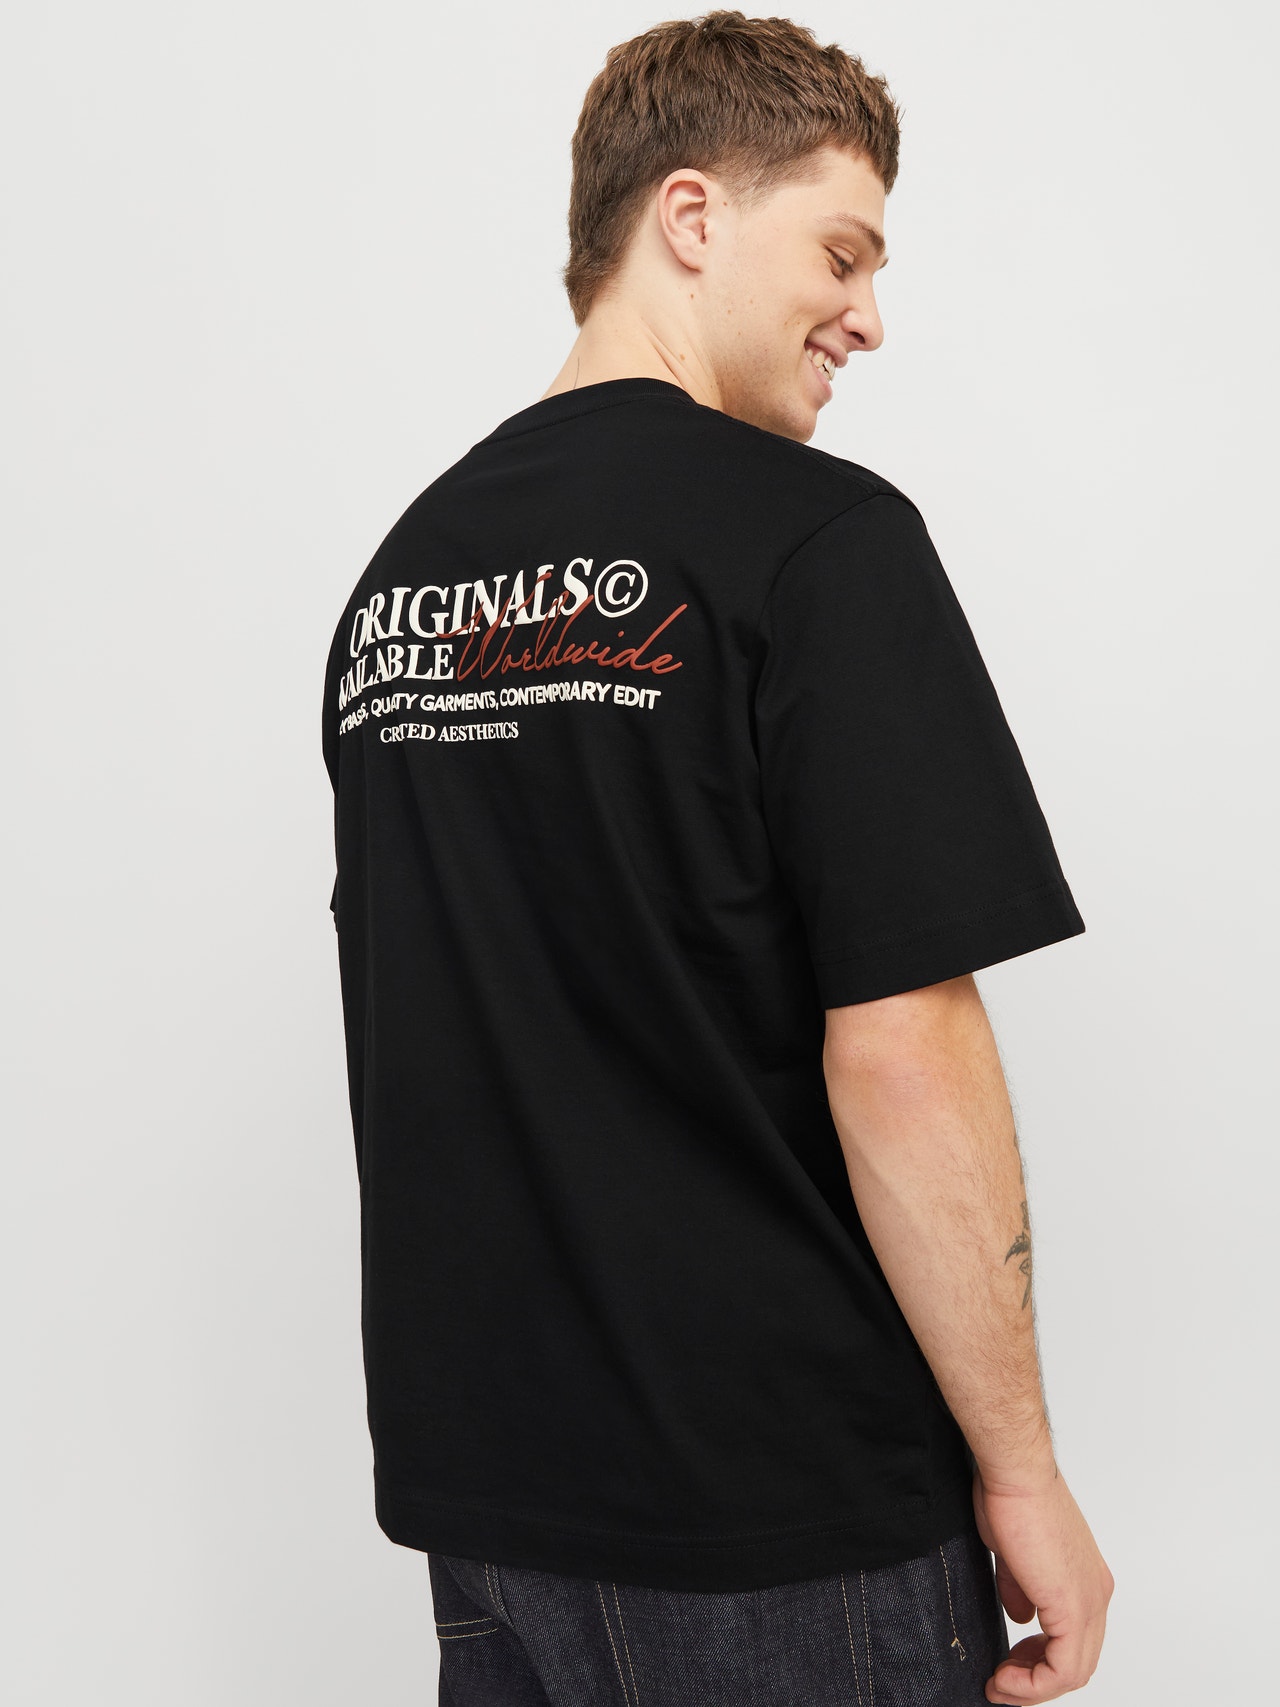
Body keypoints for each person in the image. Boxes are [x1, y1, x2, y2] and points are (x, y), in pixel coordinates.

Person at [321, 11, 1114, 1704]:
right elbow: (903, 1047)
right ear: (690, 215)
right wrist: (1024, 1473)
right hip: (783, 1527)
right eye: (842, 251)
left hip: (496, 1517)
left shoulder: (402, 585)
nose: (870, 316)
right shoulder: (818, 542)